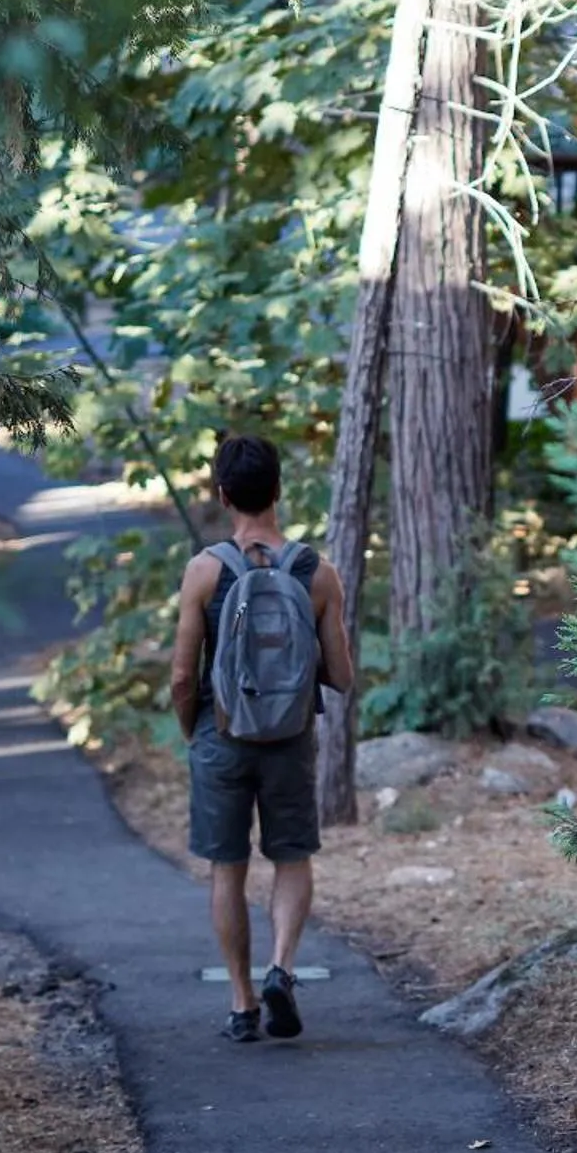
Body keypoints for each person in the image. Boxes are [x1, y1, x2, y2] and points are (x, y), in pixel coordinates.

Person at [170, 433, 356, 1042]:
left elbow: (181, 673)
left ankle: (243, 1003)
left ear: (223, 495)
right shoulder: (316, 571)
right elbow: (342, 675)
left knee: (228, 868)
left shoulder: (204, 571)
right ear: (278, 490)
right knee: (291, 856)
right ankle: (281, 967)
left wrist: (192, 729)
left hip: (221, 734)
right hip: (290, 735)